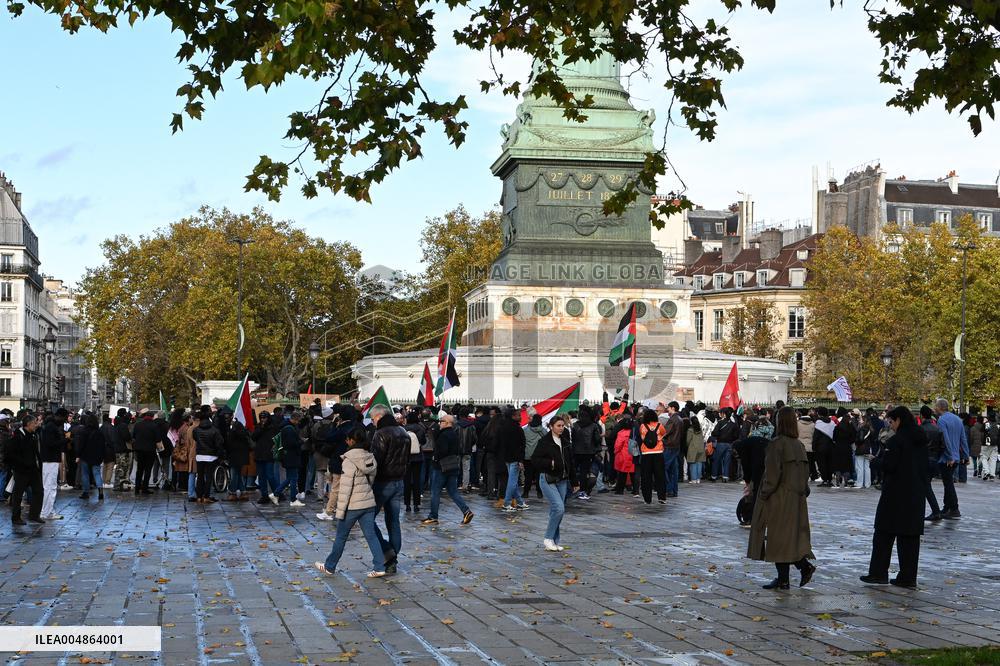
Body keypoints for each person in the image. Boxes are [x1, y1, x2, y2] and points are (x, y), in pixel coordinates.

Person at [747, 407, 816, 590]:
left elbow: (772, 475)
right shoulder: (799, 445)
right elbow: (805, 473)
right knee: (788, 539)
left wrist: (763, 494)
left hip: (779, 498)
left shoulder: (776, 444)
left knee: (778, 539)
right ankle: (786, 577)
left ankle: (799, 570)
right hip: (797, 499)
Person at [861, 406, 928, 589]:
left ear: (899, 420)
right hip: (915, 494)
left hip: (895, 493)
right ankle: (907, 577)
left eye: (892, 422)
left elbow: (890, 465)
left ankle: (878, 572)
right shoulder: (921, 439)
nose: (891, 425)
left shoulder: (897, 441)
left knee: (883, 533)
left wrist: (876, 461)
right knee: (910, 538)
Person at [313, 426, 386, 578]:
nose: (346, 441)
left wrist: (340, 511)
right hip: (367, 502)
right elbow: (371, 480)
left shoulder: (349, 460)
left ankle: (329, 566)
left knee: (341, 536)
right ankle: (379, 566)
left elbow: (345, 488)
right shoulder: (369, 456)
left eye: (347, 439)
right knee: (371, 536)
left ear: (352, 441)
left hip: (352, 504)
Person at [368, 404, 410, 576]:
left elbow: (375, 460)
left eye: (372, 419)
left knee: (368, 519)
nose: (372, 423)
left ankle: (387, 553)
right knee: (393, 521)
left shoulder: (381, 434)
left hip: (383, 482)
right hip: (399, 481)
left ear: (378, 417)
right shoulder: (403, 432)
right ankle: (393, 558)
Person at [530, 415, 578, 552]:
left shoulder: (565, 441)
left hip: (562, 480)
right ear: (551, 426)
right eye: (558, 426)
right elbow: (535, 459)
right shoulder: (544, 442)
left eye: (563, 426)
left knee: (556, 510)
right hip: (548, 479)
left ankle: (554, 540)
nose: (561, 428)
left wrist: (574, 481)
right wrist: (549, 463)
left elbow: (571, 463)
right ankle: (548, 538)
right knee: (559, 508)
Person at [421, 413, 475, 526]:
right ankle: (466, 511)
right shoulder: (454, 434)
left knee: (435, 492)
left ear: (447, 423)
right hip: (453, 466)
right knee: (453, 491)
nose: (439, 423)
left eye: (441, 421)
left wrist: (435, 457)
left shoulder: (444, 435)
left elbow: (442, 451)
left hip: (441, 467)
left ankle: (433, 516)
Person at [8, 413, 44, 525]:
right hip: (21, 471)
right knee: (18, 495)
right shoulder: (18, 436)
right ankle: (16, 517)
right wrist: (18, 466)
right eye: (34, 423)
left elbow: (35, 452)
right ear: (28, 424)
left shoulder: (33, 435)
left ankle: (34, 515)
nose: (36, 425)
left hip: (33, 470)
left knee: (39, 491)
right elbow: (11, 454)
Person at [934, 398, 966, 519]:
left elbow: (945, 439)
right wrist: (965, 455)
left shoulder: (942, 420)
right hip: (956, 457)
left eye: (935, 406)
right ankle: (947, 507)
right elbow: (963, 438)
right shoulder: (957, 419)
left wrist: (949, 456)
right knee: (948, 483)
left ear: (940, 407)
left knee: (948, 484)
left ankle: (954, 508)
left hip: (946, 458)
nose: (934, 408)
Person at [39, 409, 67, 520]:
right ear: (59, 416)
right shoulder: (51, 427)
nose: (64, 421)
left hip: (50, 459)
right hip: (50, 460)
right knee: (49, 487)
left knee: (50, 486)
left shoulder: (49, 426)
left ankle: (48, 511)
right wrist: (64, 440)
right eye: (64, 419)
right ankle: (46, 512)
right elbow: (51, 444)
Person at [272, 411, 305, 506]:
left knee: (291, 478)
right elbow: (290, 444)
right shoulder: (289, 429)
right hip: (291, 456)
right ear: (295, 419)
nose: (299, 423)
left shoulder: (286, 427)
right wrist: (301, 442)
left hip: (288, 456)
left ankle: (278, 494)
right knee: (293, 478)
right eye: (298, 420)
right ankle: (291, 499)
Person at [192, 406, 225, 503]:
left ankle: (199, 496)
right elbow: (219, 443)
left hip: (200, 455)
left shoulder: (196, 430)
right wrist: (220, 454)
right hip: (211, 455)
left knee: (200, 477)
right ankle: (206, 496)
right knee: (209, 477)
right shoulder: (214, 430)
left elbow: (195, 439)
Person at [498, 407, 527, 512]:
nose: (520, 417)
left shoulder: (503, 427)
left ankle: (519, 502)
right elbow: (520, 445)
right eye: (518, 415)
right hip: (515, 458)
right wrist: (520, 460)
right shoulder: (517, 429)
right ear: (513, 416)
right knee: (512, 481)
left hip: (506, 457)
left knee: (512, 480)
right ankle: (507, 503)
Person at [570, 405, 602, 500]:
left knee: (574, 470)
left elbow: (573, 438)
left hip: (576, 451)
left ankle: (573, 487)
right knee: (584, 472)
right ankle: (582, 491)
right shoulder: (593, 425)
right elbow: (597, 439)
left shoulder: (575, 425)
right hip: (588, 452)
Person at [638, 410, 667, 504]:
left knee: (646, 477)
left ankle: (647, 499)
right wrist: (658, 439)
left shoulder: (643, 426)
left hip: (646, 453)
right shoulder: (659, 425)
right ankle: (662, 497)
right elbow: (664, 434)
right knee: (660, 475)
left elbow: (642, 438)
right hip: (658, 452)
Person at [75, 413, 106, 501]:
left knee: (85, 474)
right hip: (96, 456)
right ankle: (100, 491)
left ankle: (86, 492)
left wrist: (78, 455)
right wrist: (102, 456)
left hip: (85, 455)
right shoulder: (99, 432)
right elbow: (103, 446)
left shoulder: (84, 431)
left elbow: (81, 445)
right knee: (96, 473)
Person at [131, 409, 159, 495]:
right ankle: (145, 488)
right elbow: (158, 439)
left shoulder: (138, 425)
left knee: (139, 470)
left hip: (139, 450)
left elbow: (133, 436)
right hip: (150, 450)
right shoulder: (154, 426)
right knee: (148, 470)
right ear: (152, 417)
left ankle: (137, 488)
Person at [402, 411, 425, 513]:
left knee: (406, 481)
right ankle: (416, 504)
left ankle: (407, 504)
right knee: (416, 481)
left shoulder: (403, 429)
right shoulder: (420, 428)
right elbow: (423, 441)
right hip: (418, 457)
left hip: (406, 458)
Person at [226, 417, 252, 501]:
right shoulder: (245, 434)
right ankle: (243, 492)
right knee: (238, 474)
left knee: (234, 475)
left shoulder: (232, 434)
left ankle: (232, 492)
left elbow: (228, 445)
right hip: (243, 457)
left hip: (234, 457)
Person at [709, 408, 739, 482]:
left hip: (720, 443)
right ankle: (725, 477)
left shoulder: (720, 423)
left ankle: (714, 476)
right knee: (727, 461)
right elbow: (736, 435)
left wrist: (719, 435)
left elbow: (714, 433)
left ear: (724, 414)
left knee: (716, 460)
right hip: (729, 444)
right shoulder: (734, 424)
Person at [522, 411, 546, 499]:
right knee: (538, 475)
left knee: (528, 475)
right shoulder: (542, 430)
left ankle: (526, 492)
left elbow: (523, 443)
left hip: (528, 456)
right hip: (539, 457)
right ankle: (539, 493)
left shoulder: (526, 430)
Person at [662, 401, 683, 497]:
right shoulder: (679, 419)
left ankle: (669, 489)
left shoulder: (673, 419)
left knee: (664, 467)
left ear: (673, 408)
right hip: (676, 446)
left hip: (670, 446)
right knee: (673, 469)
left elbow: (664, 432)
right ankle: (674, 490)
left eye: (669, 408)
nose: (667, 410)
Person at [613, 411, 637, 494]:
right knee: (633, 473)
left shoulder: (621, 433)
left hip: (623, 455)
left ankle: (620, 490)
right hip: (633, 454)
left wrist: (615, 452)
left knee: (622, 473)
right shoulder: (634, 432)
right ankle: (635, 490)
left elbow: (618, 445)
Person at [812, 407, 835, 487]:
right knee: (829, 463)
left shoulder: (818, 423)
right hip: (830, 446)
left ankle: (824, 480)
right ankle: (829, 479)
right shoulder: (832, 422)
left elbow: (816, 436)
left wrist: (813, 447)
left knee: (822, 464)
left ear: (819, 413)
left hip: (820, 447)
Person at [684, 415, 706, 484]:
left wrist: (687, 446)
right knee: (699, 463)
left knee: (693, 464)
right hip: (701, 448)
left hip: (693, 448)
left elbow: (688, 440)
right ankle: (698, 479)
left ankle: (693, 479)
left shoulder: (690, 430)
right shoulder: (700, 429)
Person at [982, 417, 998, 481]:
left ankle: (986, 471)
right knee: (993, 460)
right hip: (995, 444)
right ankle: (992, 475)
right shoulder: (998, 424)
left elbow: (982, 432)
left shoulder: (986, 424)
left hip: (986, 443)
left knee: (984, 457)